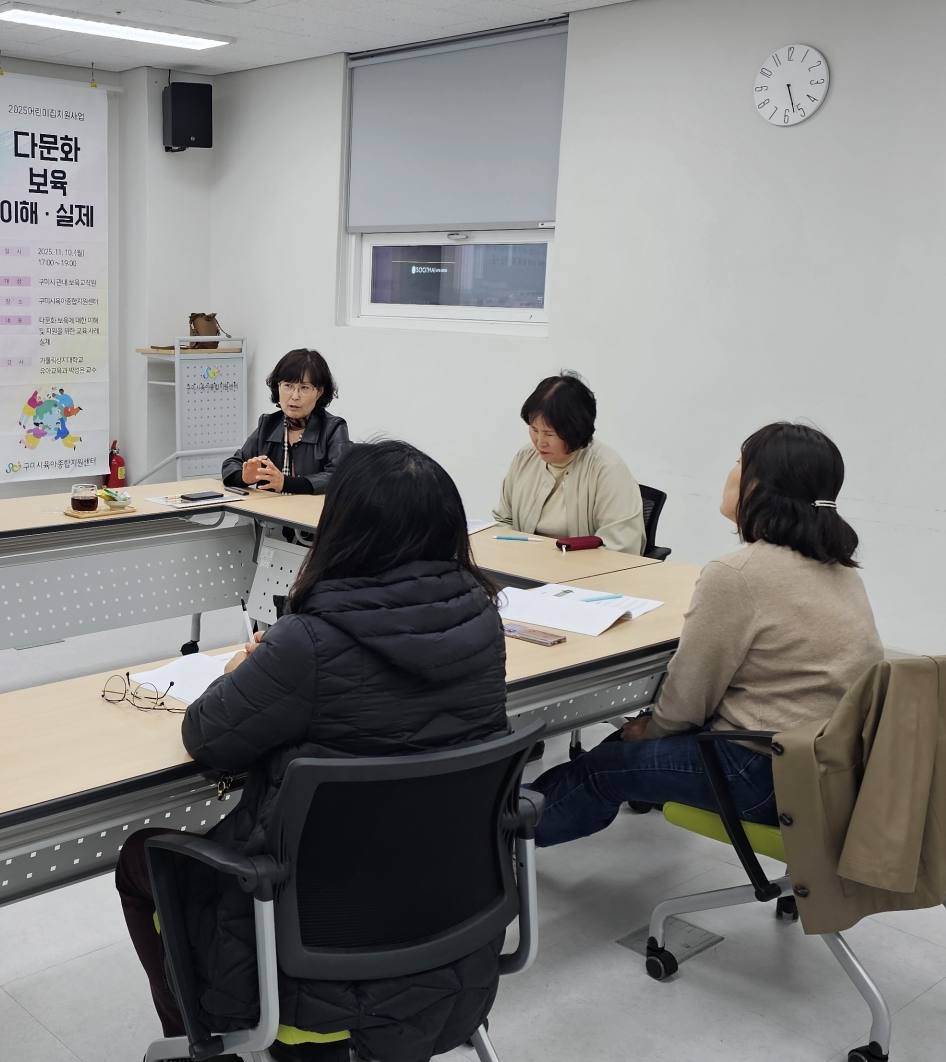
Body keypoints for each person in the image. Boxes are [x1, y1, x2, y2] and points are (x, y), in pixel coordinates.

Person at [119, 440, 509, 1062]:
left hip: (308, 956)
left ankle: (203, 1042)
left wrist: (246, 670)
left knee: (143, 858)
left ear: (343, 528)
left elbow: (208, 738)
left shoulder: (309, 641)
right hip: (447, 930)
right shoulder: (484, 623)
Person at [527, 422, 883, 846]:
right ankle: (511, 820)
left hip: (765, 772)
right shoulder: (840, 568)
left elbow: (690, 695)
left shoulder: (739, 574)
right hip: (833, 769)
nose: (730, 472)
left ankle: (497, 842)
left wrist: (650, 732)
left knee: (604, 767)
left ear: (758, 486)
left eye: (739, 463)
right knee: (618, 746)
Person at [493, 372, 647, 554]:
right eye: (534, 429)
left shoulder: (608, 470)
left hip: (581, 569)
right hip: (524, 563)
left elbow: (620, 547)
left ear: (574, 430)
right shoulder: (525, 457)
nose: (539, 441)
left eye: (549, 434)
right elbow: (503, 520)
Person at [221, 348, 351, 495]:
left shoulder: (333, 428)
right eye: (288, 385)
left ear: (319, 392)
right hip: (270, 509)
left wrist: (286, 483)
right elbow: (231, 464)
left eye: (304, 388)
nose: (295, 396)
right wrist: (244, 477)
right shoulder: (268, 425)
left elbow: (340, 476)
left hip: (313, 510)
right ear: (278, 386)